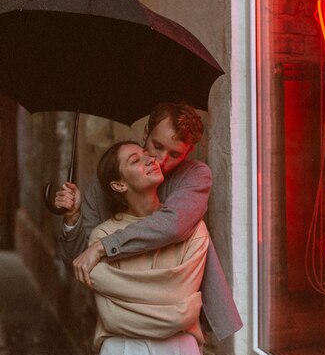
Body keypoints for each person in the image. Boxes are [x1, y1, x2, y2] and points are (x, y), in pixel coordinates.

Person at [56, 102, 242, 341]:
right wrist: (72, 218)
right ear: (146, 133)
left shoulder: (195, 176)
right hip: (122, 325)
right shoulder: (103, 187)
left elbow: (172, 225)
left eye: (175, 154)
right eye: (157, 146)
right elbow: (81, 262)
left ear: (189, 151)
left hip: (176, 322)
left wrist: (103, 246)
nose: (162, 160)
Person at [81, 140, 209, 355]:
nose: (151, 160)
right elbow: (111, 317)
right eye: (135, 160)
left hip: (180, 351)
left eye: (146, 154)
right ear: (118, 184)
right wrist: (168, 307)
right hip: (120, 351)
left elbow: (184, 305)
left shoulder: (193, 229)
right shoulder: (102, 236)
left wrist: (124, 296)